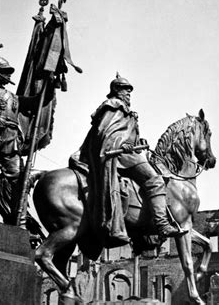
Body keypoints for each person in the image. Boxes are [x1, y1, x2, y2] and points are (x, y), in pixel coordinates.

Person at [72, 73, 186, 247]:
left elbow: (125, 135)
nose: (128, 94)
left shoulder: (125, 111)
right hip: (120, 156)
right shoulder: (114, 107)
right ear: (116, 90)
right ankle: (162, 225)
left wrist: (137, 142)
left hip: (127, 152)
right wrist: (121, 144)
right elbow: (105, 134)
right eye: (125, 90)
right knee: (155, 180)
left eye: (129, 91)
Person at [0, 51, 53, 224]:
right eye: (5, 70)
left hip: (10, 141)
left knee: (18, 179)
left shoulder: (13, 97)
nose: (8, 74)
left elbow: (37, 102)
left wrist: (49, 86)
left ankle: (17, 222)